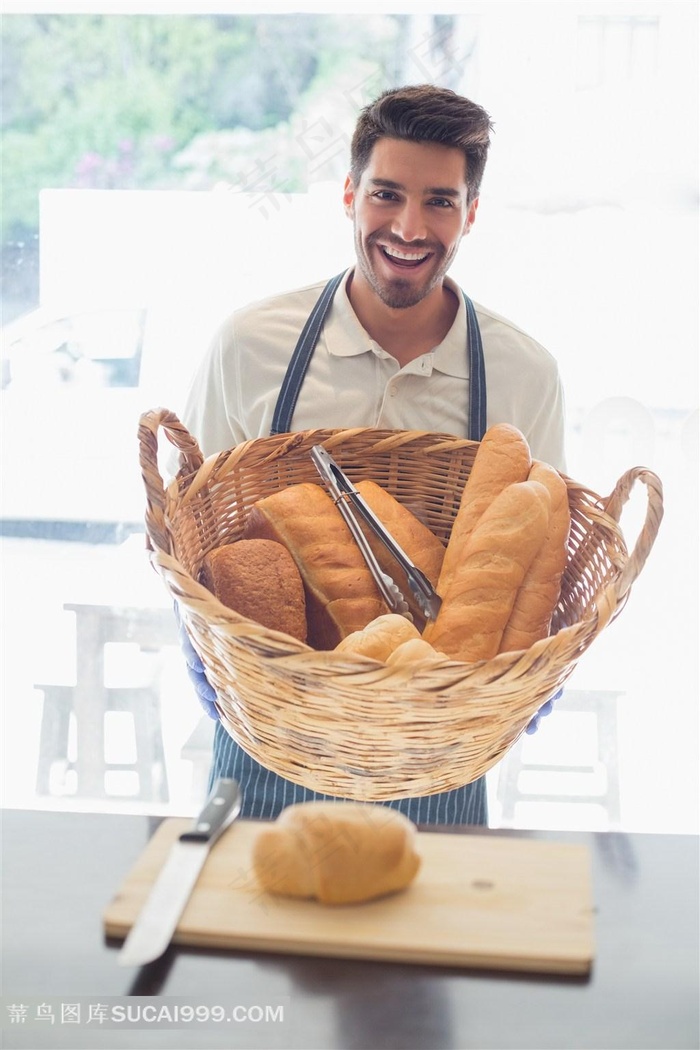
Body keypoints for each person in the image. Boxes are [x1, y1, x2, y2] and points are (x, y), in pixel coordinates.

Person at [178, 83, 567, 826]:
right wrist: (201, 640)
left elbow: (542, 562)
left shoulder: (524, 374)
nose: (409, 227)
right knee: (244, 938)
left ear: (472, 214)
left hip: (436, 754)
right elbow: (191, 527)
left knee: (433, 942)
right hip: (268, 740)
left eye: (440, 202)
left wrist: (527, 678)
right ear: (350, 195)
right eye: (387, 194)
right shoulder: (252, 345)